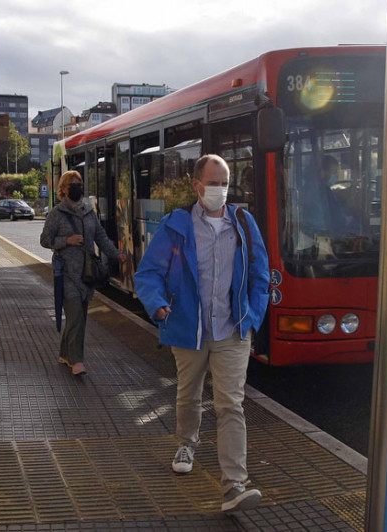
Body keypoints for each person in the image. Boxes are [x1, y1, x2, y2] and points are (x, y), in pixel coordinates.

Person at [133, 154, 270, 513]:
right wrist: (158, 304)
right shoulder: (176, 225)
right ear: (196, 185)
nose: (220, 190)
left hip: (232, 330)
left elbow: (261, 273)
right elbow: (147, 273)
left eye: (225, 183)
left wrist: (252, 316)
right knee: (188, 394)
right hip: (188, 329)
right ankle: (187, 443)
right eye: (214, 182)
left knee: (231, 405)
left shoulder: (242, 223)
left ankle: (234, 485)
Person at [40, 170, 127, 376]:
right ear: (64, 188)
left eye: (79, 183)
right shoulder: (56, 214)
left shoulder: (89, 213)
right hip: (67, 273)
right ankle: (76, 360)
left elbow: (101, 238)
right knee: (75, 315)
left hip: (87, 273)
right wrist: (66, 241)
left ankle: (64, 352)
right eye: (73, 184)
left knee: (78, 318)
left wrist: (117, 255)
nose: (77, 187)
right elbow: (44, 240)